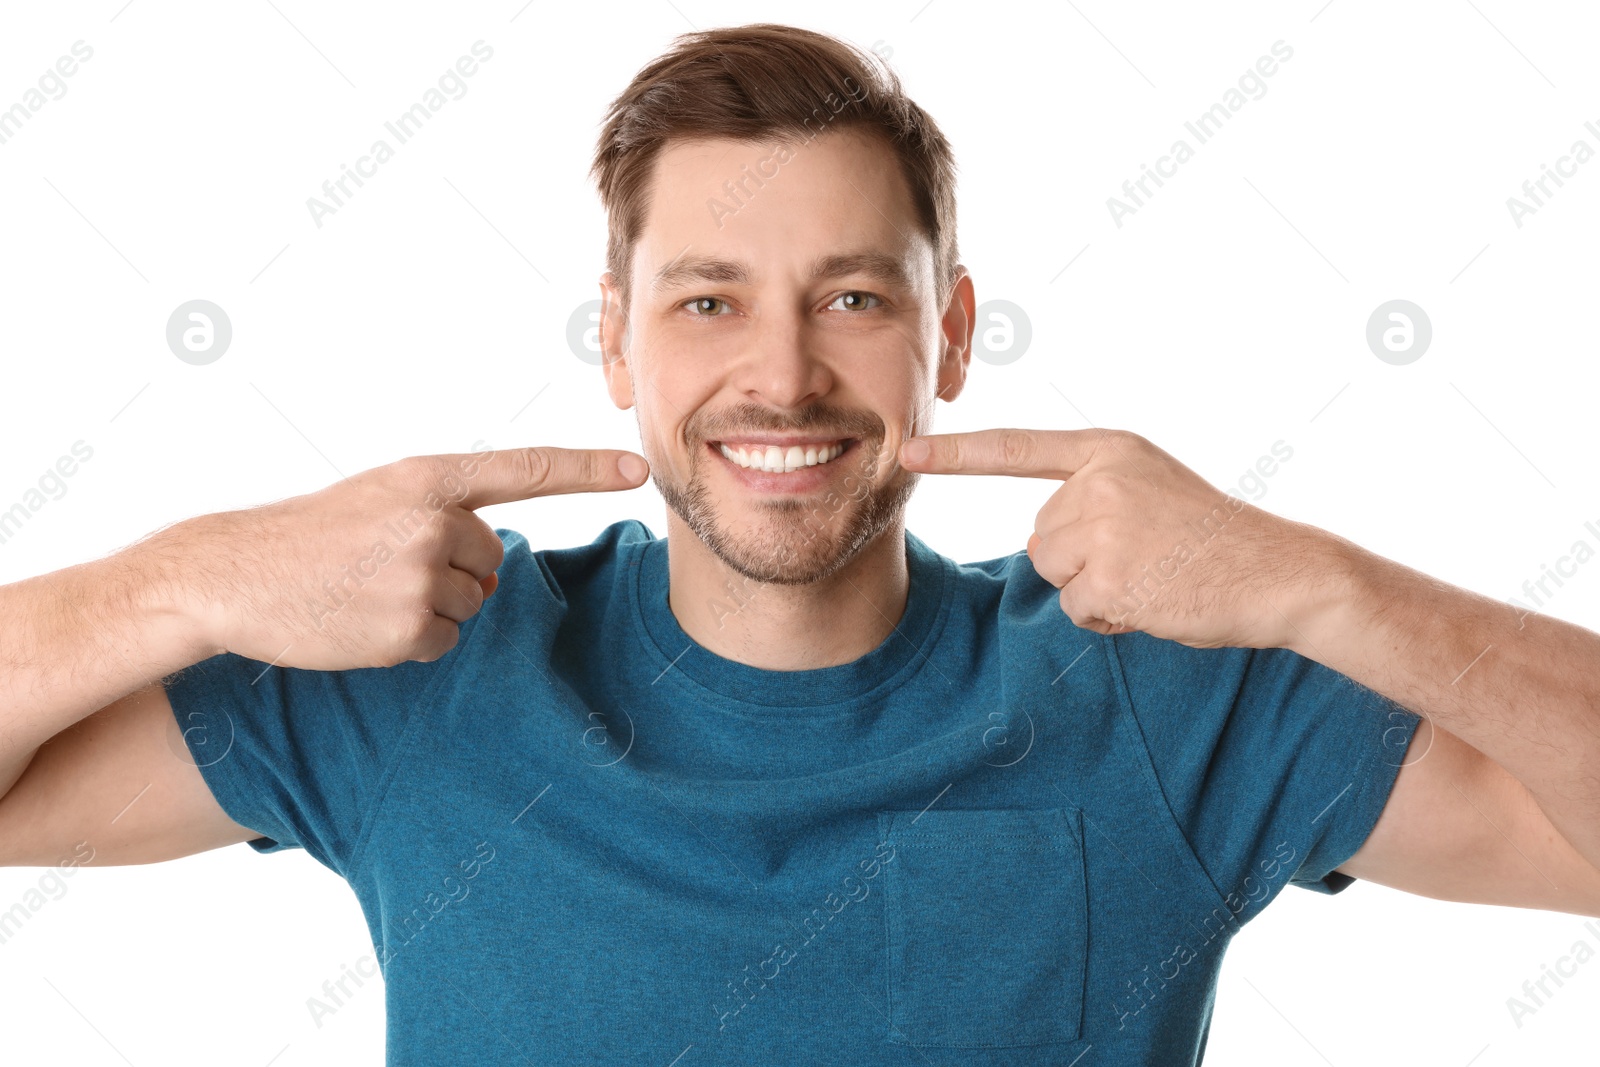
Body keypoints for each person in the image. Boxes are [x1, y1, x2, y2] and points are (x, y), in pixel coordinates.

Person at [3, 22, 1598, 1066]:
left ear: (948, 334)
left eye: (853, 296)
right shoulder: (426, 672)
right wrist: (201, 572)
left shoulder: (1157, 693)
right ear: (617, 346)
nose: (779, 375)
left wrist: (1318, 583)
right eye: (707, 301)